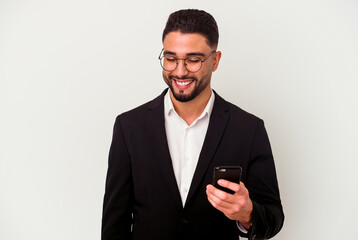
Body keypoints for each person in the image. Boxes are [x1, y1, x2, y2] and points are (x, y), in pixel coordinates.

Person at [102, 9, 284, 240]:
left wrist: (247, 214)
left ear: (215, 60)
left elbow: (274, 217)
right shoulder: (129, 127)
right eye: (170, 59)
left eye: (193, 60)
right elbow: (114, 225)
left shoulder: (249, 129)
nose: (179, 71)